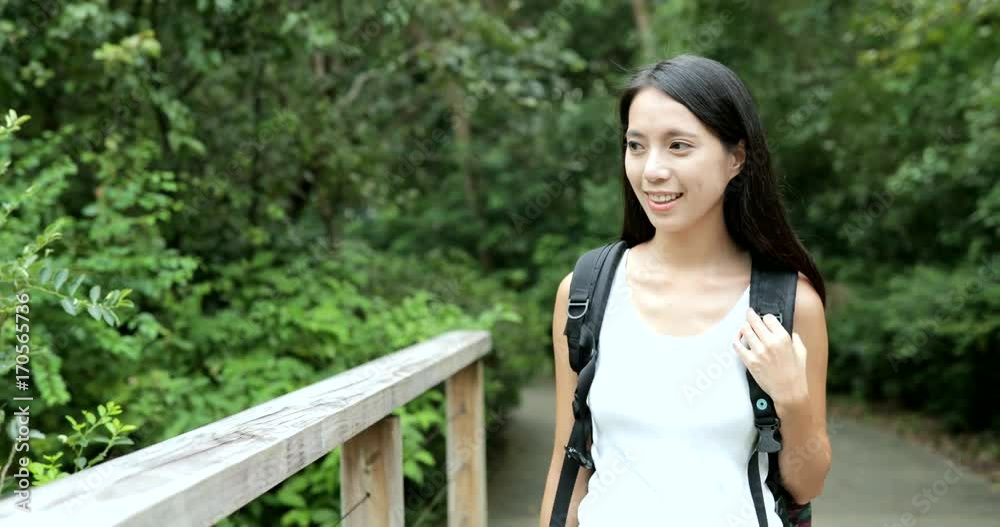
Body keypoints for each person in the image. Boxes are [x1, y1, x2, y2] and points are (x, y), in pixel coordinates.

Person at [538, 55, 831, 526]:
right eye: (636, 146)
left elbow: (807, 484)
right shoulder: (585, 294)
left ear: (736, 158)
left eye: (678, 146)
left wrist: (792, 399)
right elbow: (566, 461)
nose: (652, 169)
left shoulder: (788, 305)